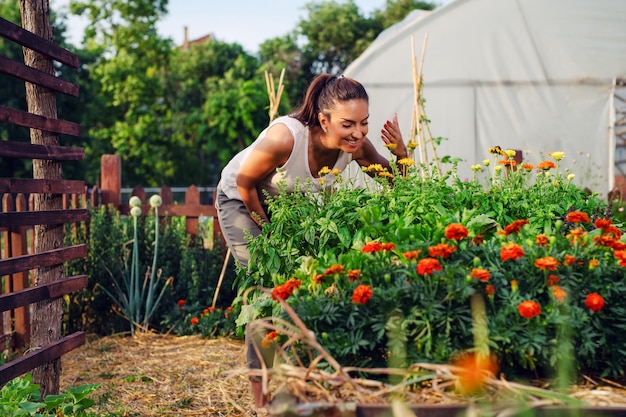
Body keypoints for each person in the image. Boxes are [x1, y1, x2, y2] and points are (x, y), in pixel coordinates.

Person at [214, 73, 407, 410]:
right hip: (242, 202)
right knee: (267, 291)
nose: (358, 133)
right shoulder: (284, 138)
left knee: (303, 289)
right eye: (348, 124)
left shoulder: (356, 146)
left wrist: (401, 153)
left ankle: (295, 386)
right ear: (323, 119)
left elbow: (399, 187)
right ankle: (262, 399)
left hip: (289, 210)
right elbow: (245, 183)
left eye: (364, 123)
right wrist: (269, 234)